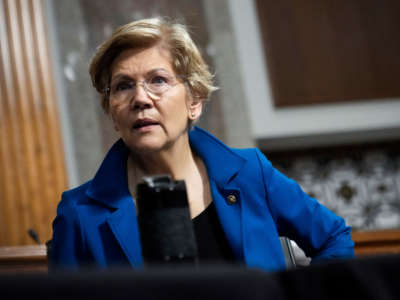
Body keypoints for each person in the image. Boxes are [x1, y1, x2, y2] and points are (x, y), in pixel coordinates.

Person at [50, 17, 354, 271]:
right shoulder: (79, 214)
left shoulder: (251, 173)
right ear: (111, 111)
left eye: (157, 80)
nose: (140, 99)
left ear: (194, 100)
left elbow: (334, 238)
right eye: (123, 86)